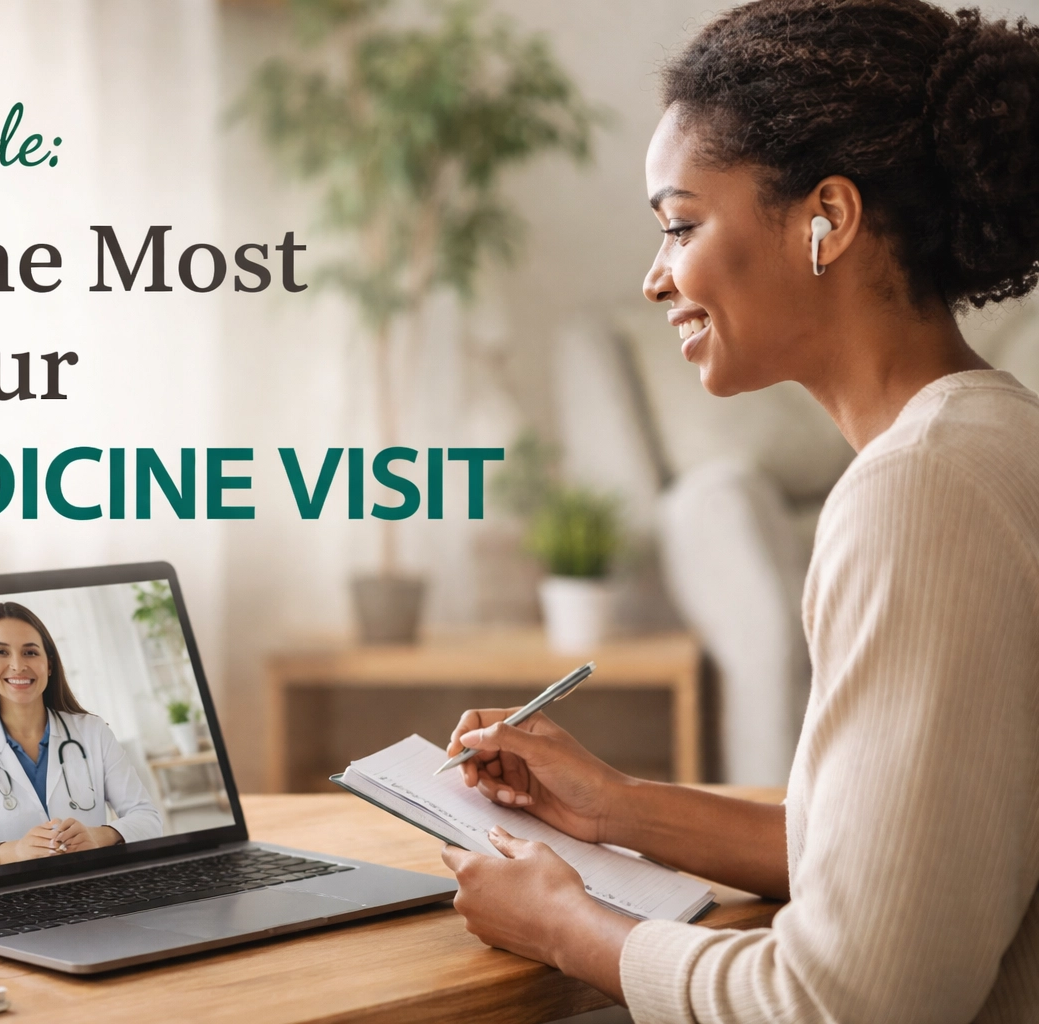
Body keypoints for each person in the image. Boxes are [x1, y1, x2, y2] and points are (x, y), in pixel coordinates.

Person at [441, 1, 1039, 1020]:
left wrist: (567, 927)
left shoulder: (918, 492)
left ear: (828, 220)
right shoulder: (994, 439)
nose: (654, 276)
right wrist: (615, 806)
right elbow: (891, 852)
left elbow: (856, 998)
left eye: (680, 223)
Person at [0, 601, 162, 873]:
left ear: (49, 664)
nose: (17, 665)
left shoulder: (92, 731)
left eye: (30, 652)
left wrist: (98, 836)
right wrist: (14, 851)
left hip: (96, 884)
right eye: (1, 652)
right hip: (18, 898)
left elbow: (147, 818)